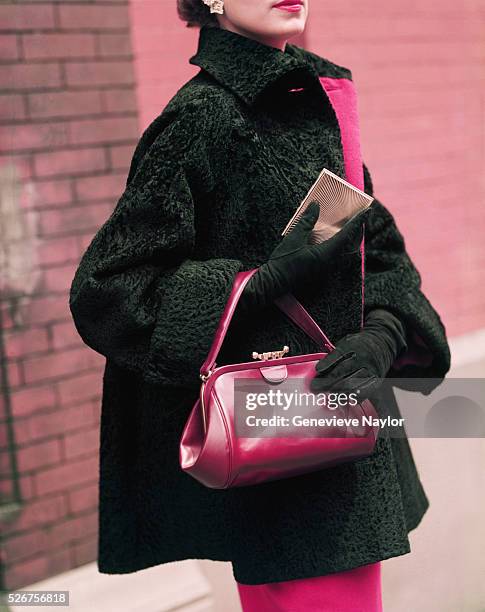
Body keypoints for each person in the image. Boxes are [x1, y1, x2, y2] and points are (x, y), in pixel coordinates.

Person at [68, 1, 451, 610]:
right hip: (280, 440)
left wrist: (380, 334)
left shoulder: (315, 102)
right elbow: (111, 289)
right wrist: (256, 282)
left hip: (344, 433)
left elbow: (376, 256)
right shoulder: (204, 115)